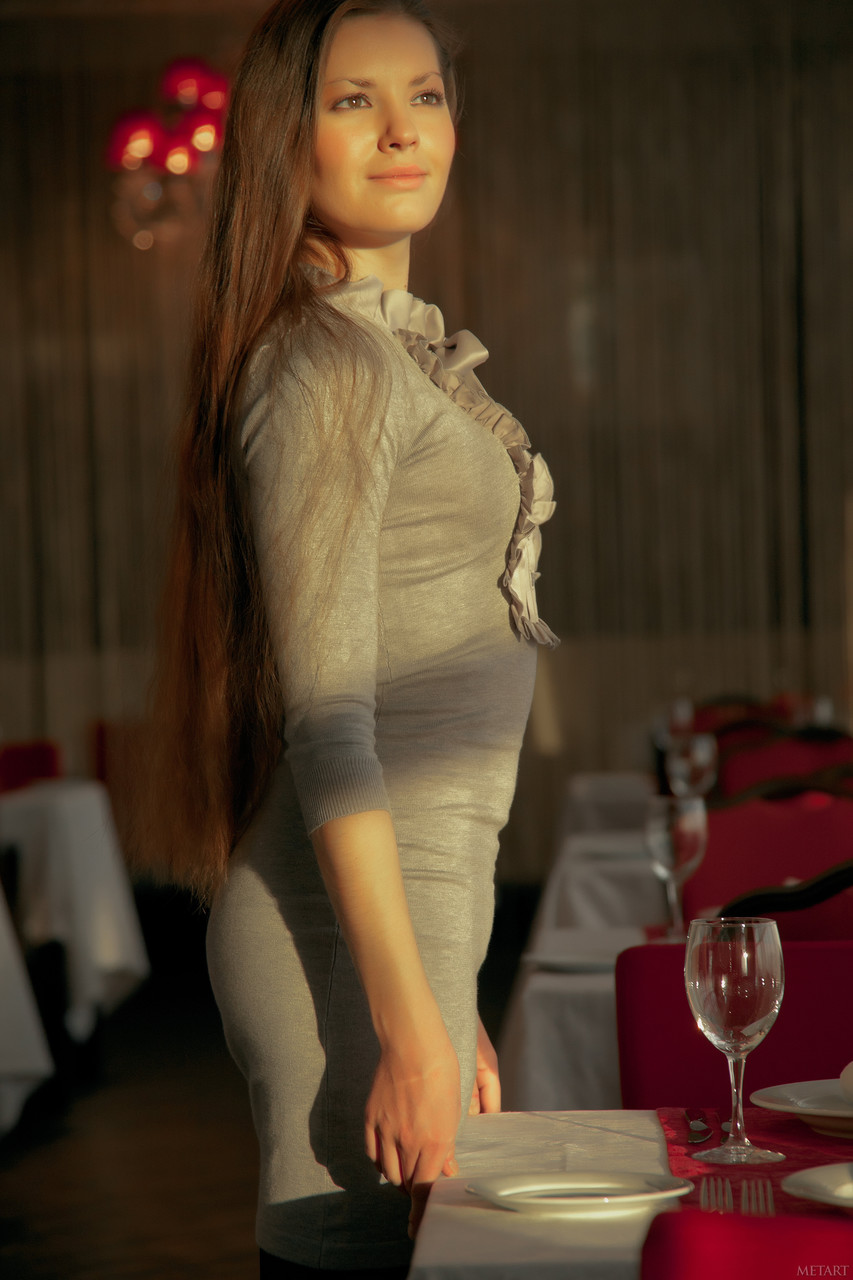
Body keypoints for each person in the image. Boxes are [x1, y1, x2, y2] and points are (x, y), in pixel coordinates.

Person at [138, 0, 557, 1275]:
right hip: (344, 935)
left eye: (424, 96)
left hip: (405, 920)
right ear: (286, 139)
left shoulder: (390, 351)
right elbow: (328, 723)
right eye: (351, 101)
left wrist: (438, 995)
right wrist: (408, 1018)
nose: (400, 131)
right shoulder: (324, 363)